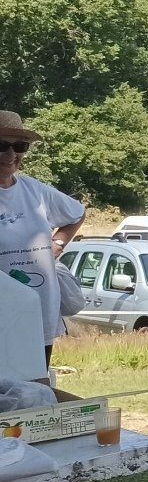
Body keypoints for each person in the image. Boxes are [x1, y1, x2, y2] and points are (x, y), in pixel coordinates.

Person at [0, 110, 85, 382]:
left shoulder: (34, 190)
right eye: (2, 145)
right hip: (3, 313)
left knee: (36, 388)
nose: (11, 154)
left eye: (19, 146)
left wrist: (58, 243)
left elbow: (77, 213)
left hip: (40, 308)